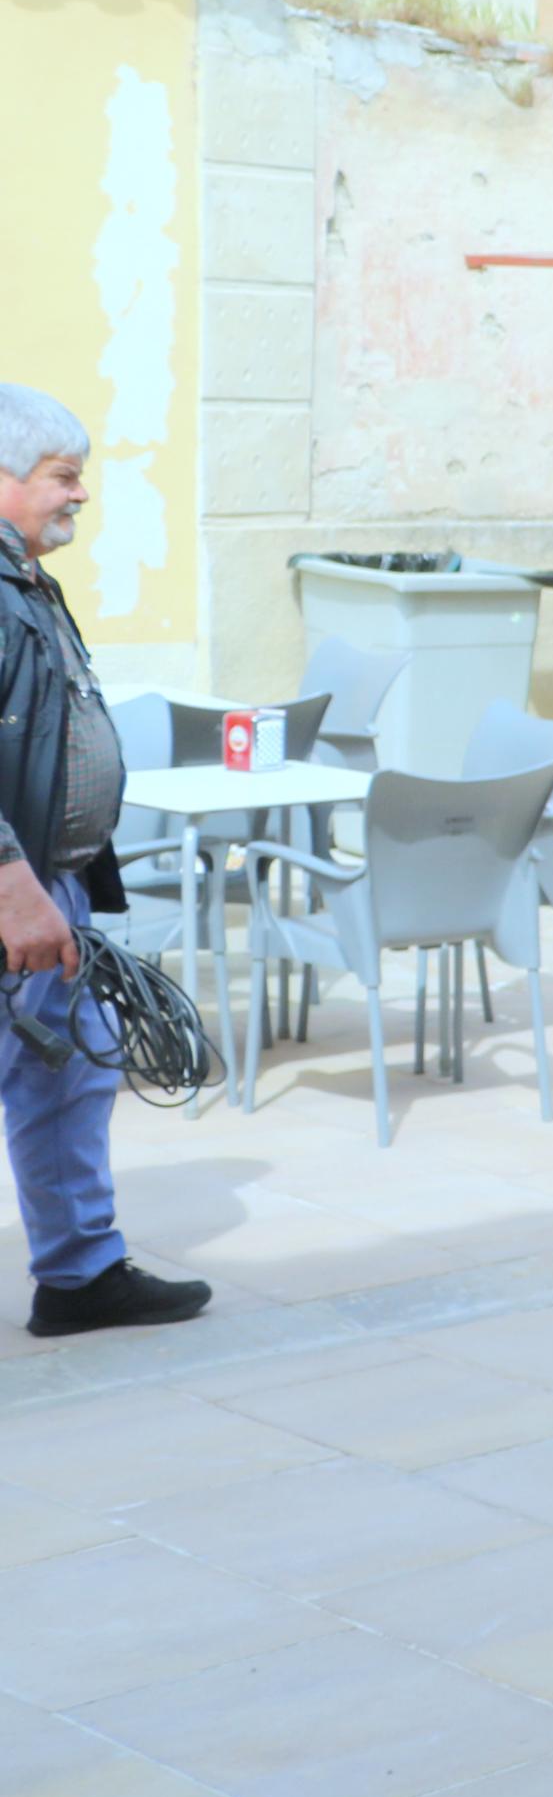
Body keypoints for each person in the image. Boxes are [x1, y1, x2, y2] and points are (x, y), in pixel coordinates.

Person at [0, 388, 208, 1341]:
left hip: (55, 893)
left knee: (71, 1079)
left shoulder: (26, 580)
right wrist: (15, 885)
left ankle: (81, 1275)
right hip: (20, 893)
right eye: (63, 476)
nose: (80, 494)